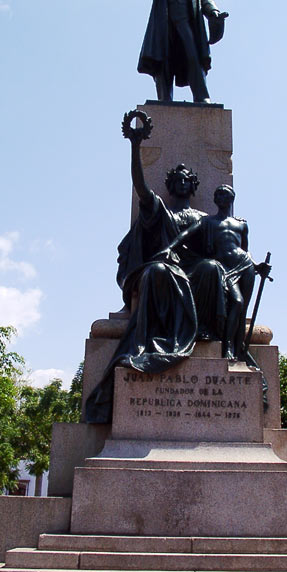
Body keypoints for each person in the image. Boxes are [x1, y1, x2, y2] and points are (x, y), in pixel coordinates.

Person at [84, 113, 226, 423]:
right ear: (170, 185)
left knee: (213, 269)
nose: (182, 181)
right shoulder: (159, 210)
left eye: (188, 178)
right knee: (158, 272)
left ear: (194, 185)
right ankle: (167, 336)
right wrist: (136, 147)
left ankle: (212, 334)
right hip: (167, 267)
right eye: (177, 178)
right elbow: (141, 187)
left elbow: (216, 253)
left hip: (195, 271)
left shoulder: (204, 219)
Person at [158, 184, 269, 369]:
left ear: (231, 198)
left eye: (224, 194)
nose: (220, 197)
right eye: (217, 194)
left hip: (244, 266)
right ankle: (226, 349)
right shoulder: (207, 222)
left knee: (242, 311)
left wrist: (258, 266)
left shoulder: (242, 224)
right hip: (223, 269)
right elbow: (186, 235)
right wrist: (170, 248)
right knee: (237, 302)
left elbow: (245, 250)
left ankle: (234, 348)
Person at [137, 0, 228, 103]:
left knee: (193, 57)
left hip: (187, 24)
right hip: (164, 26)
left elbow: (207, 1)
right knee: (163, 61)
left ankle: (201, 96)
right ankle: (164, 98)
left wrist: (214, 13)